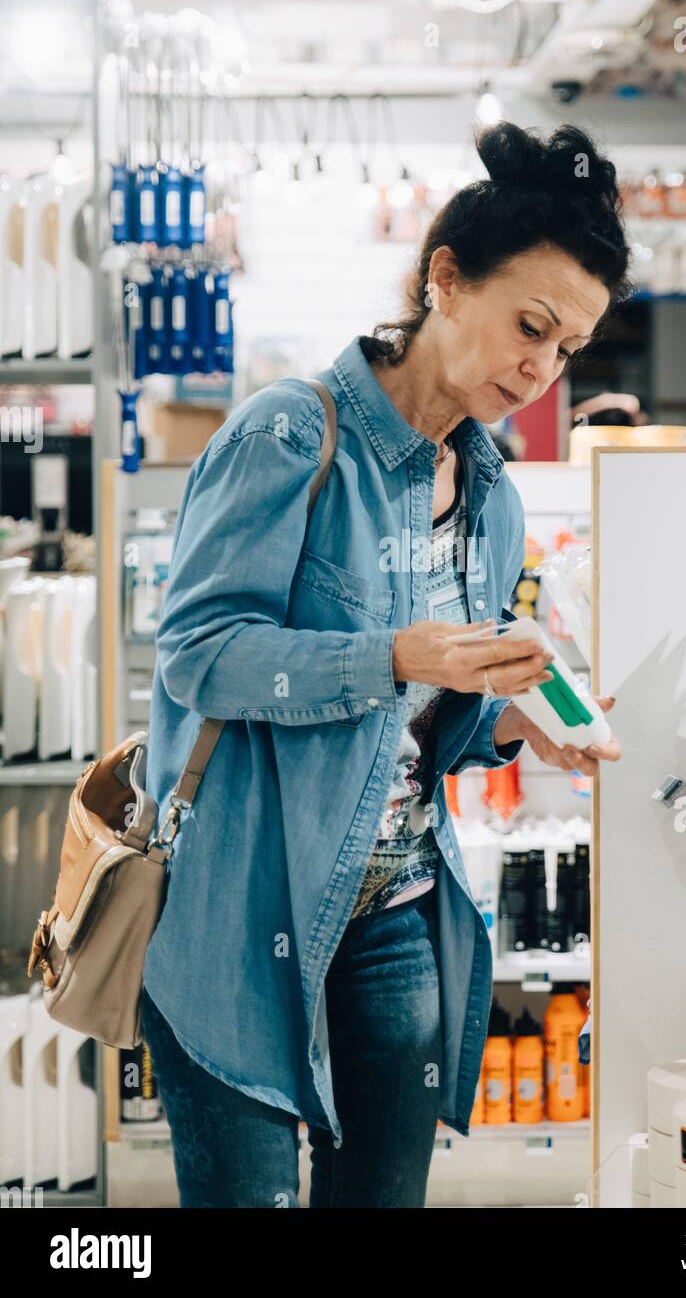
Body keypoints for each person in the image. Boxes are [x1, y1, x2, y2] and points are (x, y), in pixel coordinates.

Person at [139, 119, 629, 1208]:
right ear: (444, 280)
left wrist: (515, 717)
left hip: (396, 915)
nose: (539, 369)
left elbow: (429, 729)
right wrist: (386, 655)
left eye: (566, 351)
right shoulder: (288, 436)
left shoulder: (492, 497)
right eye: (530, 326)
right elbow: (196, 658)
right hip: (240, 915)